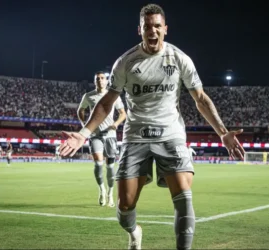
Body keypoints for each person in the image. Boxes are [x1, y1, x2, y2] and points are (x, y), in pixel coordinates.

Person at [60, 4, 245, 250]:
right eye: (148, 26)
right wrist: (83, 135)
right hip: (135, 137)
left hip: (171, 135)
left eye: (157, 26)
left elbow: (200, 99)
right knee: (125, 206)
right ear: (140, 30)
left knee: (184, 200)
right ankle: (134, 232)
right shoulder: (125, 63)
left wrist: (223, 132)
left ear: (165, 29)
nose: (153, 31)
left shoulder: (179, 59)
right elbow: (106, 103)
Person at [77, 71, 126, 207]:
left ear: (107, 81)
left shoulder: (113, 96)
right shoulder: (88, 96)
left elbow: (123, 114)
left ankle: (110, 193)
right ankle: (101, 190)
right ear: (95, 81)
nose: (100, 80)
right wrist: (85, 125)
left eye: (102, 78)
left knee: (110, 167)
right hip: (95, 135)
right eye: (97, 78)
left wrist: (116, 124)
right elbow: (80, 110)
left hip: (110, 135)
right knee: (98, 163)